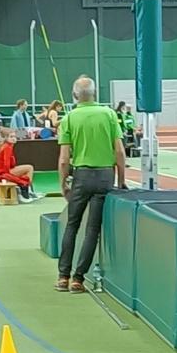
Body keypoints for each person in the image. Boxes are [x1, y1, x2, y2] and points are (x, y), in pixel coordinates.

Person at [55, 76, 126, 292]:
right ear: (95, 94)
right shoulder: (109, 114)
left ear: (75, 95)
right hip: (105, 176)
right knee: (92, 230)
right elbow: (120, 152)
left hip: (82, 176)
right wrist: (121, 181)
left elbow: (64, 159)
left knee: (72, 225)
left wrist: (63, 184)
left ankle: (63, 276)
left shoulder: (69, 118)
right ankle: (78, 278)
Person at [0, 127, 37, 201]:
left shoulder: (8, 146)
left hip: (3, 171)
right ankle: (27, 189)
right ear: (6, 138)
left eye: (15, 136)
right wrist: (9, 176)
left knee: (28, 168)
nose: (14, 138)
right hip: (3, 172)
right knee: (29, 168)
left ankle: (27, 189)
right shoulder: (7, 147)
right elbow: (6, 164)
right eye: (11, 137)